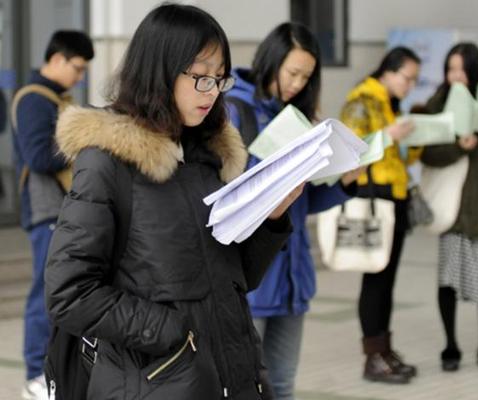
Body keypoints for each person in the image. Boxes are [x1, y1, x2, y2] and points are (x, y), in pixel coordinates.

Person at [45, 4, 303, 399]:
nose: (212, 92)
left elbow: (236, 278)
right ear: (159, 70)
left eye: (220, 79)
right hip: (157, 381)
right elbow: (70, 292)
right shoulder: (107, 162)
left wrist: (273, 217)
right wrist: (173, 332)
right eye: (200, 78)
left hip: (234, 375)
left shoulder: (208, 156)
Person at [225, 22, 360, 400]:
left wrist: (345, 184)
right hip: (251, 278)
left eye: (307, 76)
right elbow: (228, 195)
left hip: (292, 280)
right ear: (271, 62)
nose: (298, 83)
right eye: (293, 73)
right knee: (243, 387)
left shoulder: (298, 117)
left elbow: (299, 203)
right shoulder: (235, 110)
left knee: (282, 385)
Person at [416, 43, 478, 372]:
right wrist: (458, 148)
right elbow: (427, 153)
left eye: (461, 69)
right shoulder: (438, 103)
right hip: (455, 206)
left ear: (474, 70)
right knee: (448, 279)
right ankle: (451, 346)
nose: (455, 76)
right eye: (450, 69)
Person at [11, 29, 94, 400]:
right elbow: (38, 156)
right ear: (57, 58)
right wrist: (86, 138)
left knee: (60, 291)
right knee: (44, 293)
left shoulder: (56, 99)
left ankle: (51, 373)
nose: (80, 77)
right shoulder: (33, 99)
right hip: (45, 210)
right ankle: (34, 374)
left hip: (59, 210)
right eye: (77, 68)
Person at [340, 46, 422, 384]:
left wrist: (414, 140)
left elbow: (402, 159)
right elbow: (348, 149)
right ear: (388, 71)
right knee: (375, 279)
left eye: (415, 80)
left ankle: (384, 349)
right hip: (374, 197)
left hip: (395, 197)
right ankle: (372, 356)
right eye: (408, 78)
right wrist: (389, 136)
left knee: (386, 281)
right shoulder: (362, 99)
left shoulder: (391, 102)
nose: (411, 85)